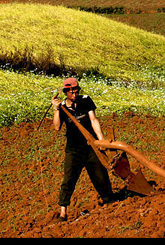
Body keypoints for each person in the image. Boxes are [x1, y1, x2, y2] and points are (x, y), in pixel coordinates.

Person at [51, 77, 113, 221]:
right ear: (65, 92)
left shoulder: (86, 101)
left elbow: (94, 120)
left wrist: (101, 140)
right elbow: (56, 127)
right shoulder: (62, 108)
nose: (74, 94)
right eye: (70, 92)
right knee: (68, 180)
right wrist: (56, 109)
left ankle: (109, 200)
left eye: (75, 90)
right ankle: (63, 213)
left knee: (100, 175)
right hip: (73, 150)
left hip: (91, 146)